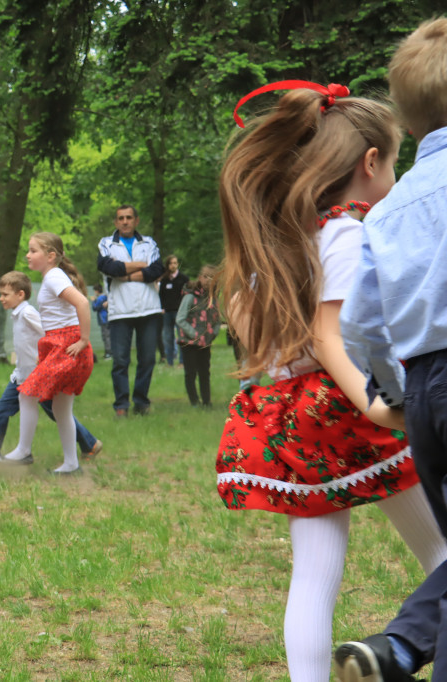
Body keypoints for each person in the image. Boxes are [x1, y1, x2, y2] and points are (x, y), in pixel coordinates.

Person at [215, 79, 447, 682]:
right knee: (443, 553)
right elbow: (329, 334)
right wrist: (372, 405)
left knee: (314, 576)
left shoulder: (289, 237)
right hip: (344, 410)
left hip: (293, 418)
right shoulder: (346, 232)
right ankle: (409, 652)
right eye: (394, 162)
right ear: (371, 162)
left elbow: (245, 315)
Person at [334, 18, 447, 682]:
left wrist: (395, 397)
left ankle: (399, 649)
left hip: (426, 389)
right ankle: (401, 646)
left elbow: (361, 326)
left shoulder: (389, 209)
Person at [0, 271, 102, 464]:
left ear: (20, 295)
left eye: (5, 294)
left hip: (38, 377)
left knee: (56, 412)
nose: (1, 298)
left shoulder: (28, 313)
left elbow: (48, 334)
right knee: (3, 409)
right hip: (21, 377)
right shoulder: (17, 314)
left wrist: (48, 362)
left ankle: (88, 443)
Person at [9, 233, 94, 475]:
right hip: (61, 346)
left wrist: (84, 340)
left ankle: (24, 450)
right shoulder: (51, 278)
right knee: (60, 408)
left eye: (33, 250)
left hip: (68, 347)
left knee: (27, 395)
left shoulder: (54, 277)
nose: (28, 255)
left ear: (50, 256)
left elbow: (83, 303)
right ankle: (71, 464)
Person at [96, 205, 165, 416]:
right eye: (120, 218)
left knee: (147, 360)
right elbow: (108, 268)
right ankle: (121, 405)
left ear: (136, 220)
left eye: (128, 218)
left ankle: (141, 402)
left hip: (149, 310)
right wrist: (139, 265)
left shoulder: (149, 243)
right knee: (120, 361)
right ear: (116, 222)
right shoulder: (106, 243)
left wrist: (124, 273)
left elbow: (156, 270)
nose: (125, 221)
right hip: (120, 312)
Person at [175, 265, 220, 407]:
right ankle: (194, 401)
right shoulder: (190, 296)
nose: (208, 280)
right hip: (189, 342)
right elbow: (180, 319)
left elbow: (217, 320)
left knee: (205, 372)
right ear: (200, 277)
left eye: (211, 278)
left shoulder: (213, 299)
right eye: (205, 277)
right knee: (191, 372)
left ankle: (207, 402)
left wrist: (213, 333)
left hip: (205, 342)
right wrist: (194, 334)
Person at [158, 255, 189, 367]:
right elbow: (161, 295)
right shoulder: (164, 280)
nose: (173, 265)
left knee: (181, 337)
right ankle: (169, 361)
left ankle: (182, 361)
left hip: (180, 312)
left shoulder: (183, 278)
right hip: (167, 312)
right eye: (171, 263)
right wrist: (162, 307)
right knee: (167, 337)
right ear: (168, 265)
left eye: (175, 263)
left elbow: (187, 295)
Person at [90, 284, 111, 360]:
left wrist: (93, 301)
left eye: (95, 291)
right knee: (107, 336)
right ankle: (108, 352)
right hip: (106, 318)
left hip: (103, 319)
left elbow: (95, 308)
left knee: (106, 336)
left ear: (97, 291)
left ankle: (109, 353)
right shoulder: (105, 297)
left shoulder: (100, 298)